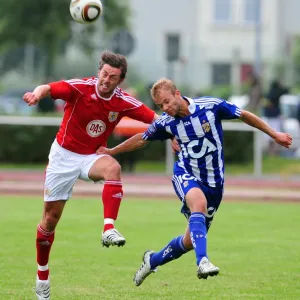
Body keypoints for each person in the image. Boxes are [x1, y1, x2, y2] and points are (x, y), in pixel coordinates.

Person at [96, 78, 292, 285]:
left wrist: (274, 134)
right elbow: (142, 139)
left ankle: (152, 260)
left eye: (167, 101)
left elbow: (243, 115)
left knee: (190, 241)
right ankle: (203, 262)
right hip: (185, 173)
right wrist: (112, 151)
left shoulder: (210, 107)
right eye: (160, 105)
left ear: (177, 93)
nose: (165, 108)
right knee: (199, 204)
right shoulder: (166, 122)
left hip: (214, 183)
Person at [23, 51, 160, 300]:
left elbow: (156, 120)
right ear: (99, 70)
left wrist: (172, 135)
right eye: (104, 74)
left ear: (120, 81)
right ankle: (42, 276)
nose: (106, 80)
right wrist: (36, 94)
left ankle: (108, 228)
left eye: (113, 77)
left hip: (91, 156)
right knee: (50, 221)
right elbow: (47, 88)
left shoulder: (122, 101)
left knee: (113, 168)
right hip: (63, 157)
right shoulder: (79, 88)